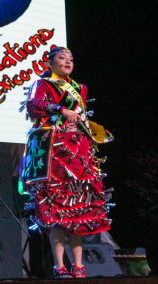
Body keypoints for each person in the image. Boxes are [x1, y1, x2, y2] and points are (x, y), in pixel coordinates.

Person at [21, 47, 112, 278]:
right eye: (62, 58)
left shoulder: (80, 88)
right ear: (50, 63)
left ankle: (79, 265)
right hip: (55, 149)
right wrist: (61, 109)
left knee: (78, 207)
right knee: (57, 208)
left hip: (79, 149)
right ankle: (60, 266)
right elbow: (34, 107)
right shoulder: (42, 85)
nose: (68, 61)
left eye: (71, 58)